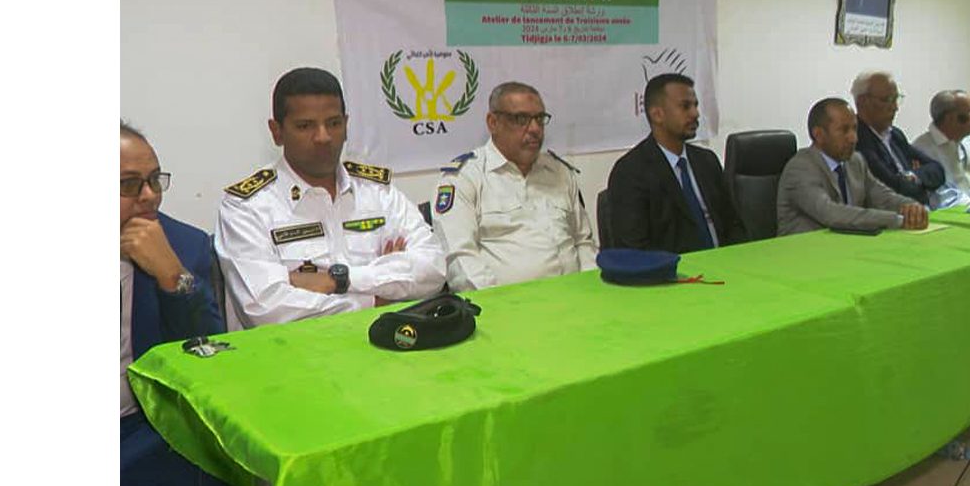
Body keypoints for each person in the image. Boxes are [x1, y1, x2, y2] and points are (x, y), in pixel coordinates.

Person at [215, 68, 447, 330]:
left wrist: (340, 280)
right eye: (305, 126)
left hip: (388, 343)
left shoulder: (378, 192)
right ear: (277, 131)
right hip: (295, 349)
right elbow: (266, 309)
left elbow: (434, 269)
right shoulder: (246, 207)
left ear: (346, 125)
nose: (323, 137)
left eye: (334, 123)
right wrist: (379, 299)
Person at [120, 122, 228, 486]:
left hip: (145, 430)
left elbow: (210, 354)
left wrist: (172, 276)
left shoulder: (184, 245)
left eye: (154, 180)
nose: (150, 196)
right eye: (129, 184)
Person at [433, 81, 598, 290]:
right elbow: (460, 260)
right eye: (521, 119)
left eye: (539, 119)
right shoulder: (463, 178)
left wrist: (591, 288)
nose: (535, 129)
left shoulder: (560, 172)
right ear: (493, 123)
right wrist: (497, 303)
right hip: (508, 304)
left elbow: (583, 242)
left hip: (577, 296)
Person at [607, 73, 746, 253]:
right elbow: (635, 250)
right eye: (685, 106)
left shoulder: (707, 161)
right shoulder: (630, 173)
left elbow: (733, 225)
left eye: (695, 105)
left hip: (726, 264)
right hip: (674, 269)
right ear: (657, 114)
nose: (695, 113)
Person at [777, 98, 929, 235]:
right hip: (804, 250)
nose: (853, 138)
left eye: (854, 128)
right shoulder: (801, 168)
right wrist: (897, 219)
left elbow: (883, 197)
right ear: (819, 135)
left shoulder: (855, 161)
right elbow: (832, 214)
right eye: (844, 130)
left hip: (847, 246)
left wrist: (911, 207)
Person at [851, 70, 945, 205]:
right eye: (886, 100)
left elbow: (937, 169)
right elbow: (892, 186)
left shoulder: (895, 135)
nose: (895, 107)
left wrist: (911, 176)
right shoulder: (856, 138)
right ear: (863, 102)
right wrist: (919, 181)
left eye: (896, 99)